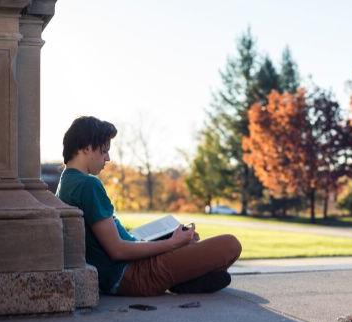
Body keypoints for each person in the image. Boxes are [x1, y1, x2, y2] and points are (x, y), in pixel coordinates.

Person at [56, 116, 242, 296]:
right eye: (104, 150)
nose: (108, 158)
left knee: (191, 242)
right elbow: (117, 250)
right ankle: (184, 280)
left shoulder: (65, 182)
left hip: (122, 271)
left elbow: (109, 241)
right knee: (230, 245)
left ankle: (187, 280)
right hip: (131, 275)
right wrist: (172, 243)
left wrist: (166, 241)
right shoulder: (88, 185)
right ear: (87, 148)